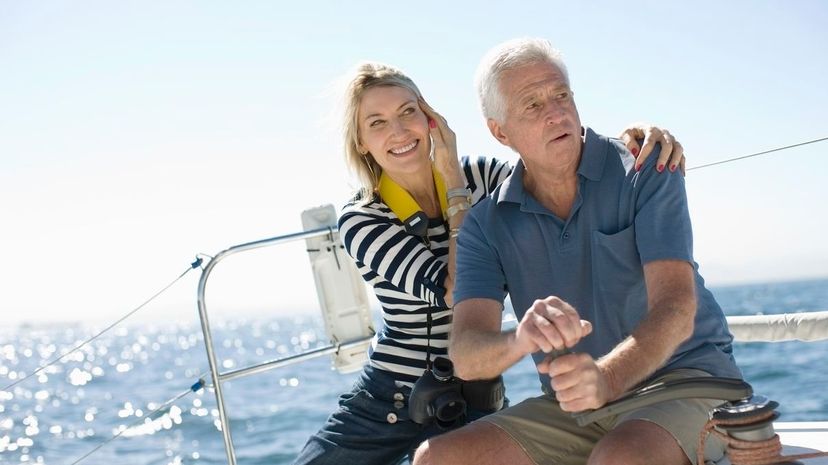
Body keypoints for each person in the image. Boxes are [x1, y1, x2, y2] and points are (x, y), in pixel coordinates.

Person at [293, 61, 686, 465]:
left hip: (475, 390)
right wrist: (452, 180)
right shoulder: (363, 219)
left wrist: (629, 143)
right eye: (377, 123)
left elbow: (555, 167)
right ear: (361, 142)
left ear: (430, 117)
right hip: (391, 402)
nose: (397, 131)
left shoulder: (483, 175)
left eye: (408, 111)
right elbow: (453, 290)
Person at [412, 38, 742, 465]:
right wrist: (520, 339)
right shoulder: (485, 224)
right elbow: (467, 355)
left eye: (561, 95)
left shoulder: (646, 167)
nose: (556, 112)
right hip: (579, 407)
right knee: (435, 458)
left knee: (618, 458)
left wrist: (607, 377)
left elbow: (677, 307)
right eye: (532, 105)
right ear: (500, 131)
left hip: (687, 383)